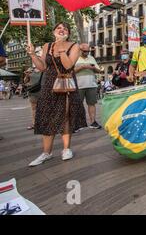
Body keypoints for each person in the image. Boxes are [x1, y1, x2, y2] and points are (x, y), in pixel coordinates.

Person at [26, 22, 87, 166]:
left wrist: (60, 48)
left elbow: (68, 65)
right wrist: (33, 54)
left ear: (68, 33)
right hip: (49, 85)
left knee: (65, 115)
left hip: (66, 85)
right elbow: (42, 67)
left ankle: (66, 149)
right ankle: (46, 153)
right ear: (54, 31)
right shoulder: (47, 46)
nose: (62, 30)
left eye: (65, 28)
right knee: (47, 116)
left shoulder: (74, 46)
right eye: (59, 28)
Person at [74, 43, 103, 130]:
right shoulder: (74, 58)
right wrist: (82, 67)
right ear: (80, 50)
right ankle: (77, 124)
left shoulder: (91, 58)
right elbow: (71, 71)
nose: (87, 53)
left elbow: (99, 70)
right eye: (85, 51)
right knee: (77, 105)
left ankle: (93, 122)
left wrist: (94, 68)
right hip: (78, 85)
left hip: (91, 84)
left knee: (92, 104)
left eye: (88, 51)